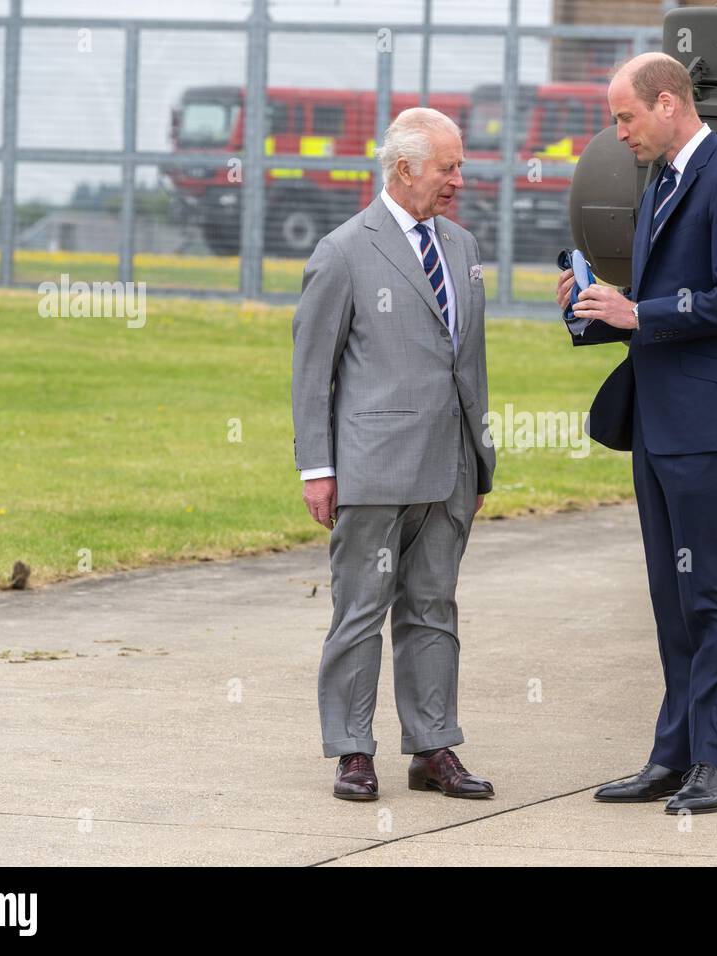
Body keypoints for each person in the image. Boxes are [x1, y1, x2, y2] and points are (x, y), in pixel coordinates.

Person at [556, 52, 717, 814]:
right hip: (658, 421)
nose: (618, 133)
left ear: (670, 102)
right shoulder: (661, 185)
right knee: (671, 594)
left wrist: (639, 311)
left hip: (709, 425)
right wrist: (595, 306)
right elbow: (655, 310)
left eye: (625, 117)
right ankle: (673, 755)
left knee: (713, 592)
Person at [291, 107, 496, 802]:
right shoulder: (345, 251)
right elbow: (312, 372)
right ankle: (352, 750)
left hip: (450, 470)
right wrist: (317, 469)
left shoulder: (463, 249)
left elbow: (469, 363)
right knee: (360, 611)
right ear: (405, 169)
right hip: (372, 471)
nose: (459, 180)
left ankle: (433, 746)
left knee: (434, 607)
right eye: (448, 167)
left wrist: (479, 456)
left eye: (460, 165)